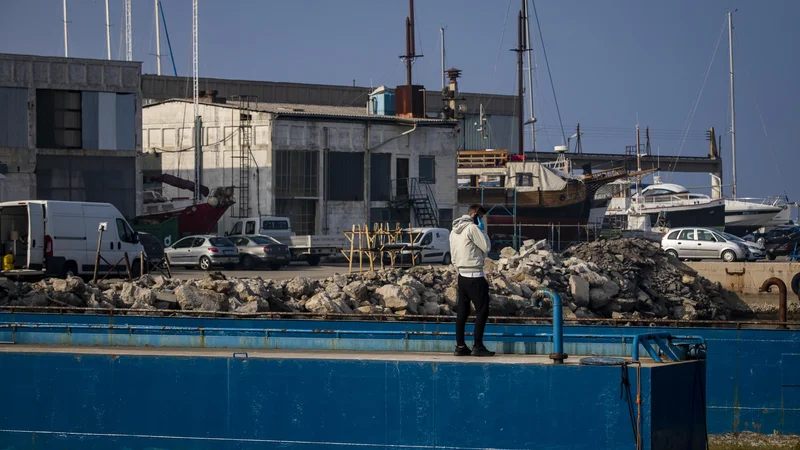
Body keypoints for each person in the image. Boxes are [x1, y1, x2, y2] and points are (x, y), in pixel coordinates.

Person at [449, 204, 495, 357]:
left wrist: (459, 270)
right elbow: (487, 246)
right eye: (480, 217)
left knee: (463, 311)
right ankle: (478, 346)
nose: (481, 220)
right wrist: (481, 229)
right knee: (482, 310)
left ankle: (460, 346)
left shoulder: (453, 231)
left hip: (462, 276)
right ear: (475, 214)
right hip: (475, 275)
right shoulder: (472, 228)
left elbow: (453, 256)